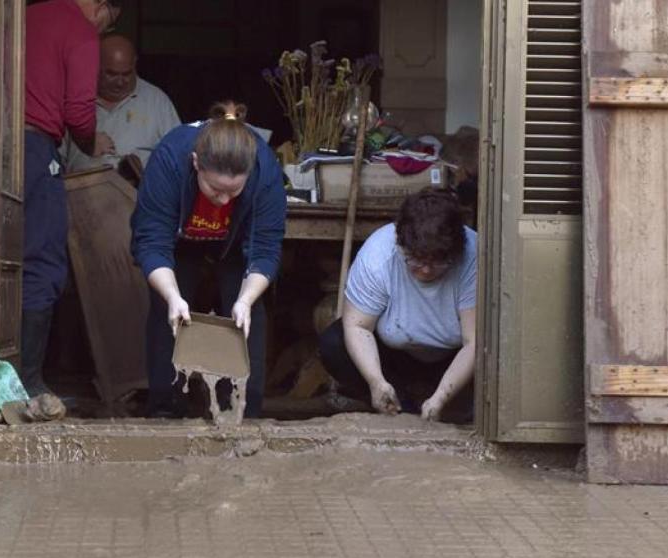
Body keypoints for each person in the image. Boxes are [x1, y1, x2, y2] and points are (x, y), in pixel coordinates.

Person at [130, 101, 287, 419]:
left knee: (245, 315)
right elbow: (152, 243)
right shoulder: (170, 159)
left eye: (235, 191)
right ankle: (165, 408)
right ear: (196, 163)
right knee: (170, 312)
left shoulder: (265, 170)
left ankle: (243, 412)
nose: (224, 200)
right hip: (178, 246)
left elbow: (265, 251)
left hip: (237, 247)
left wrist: (246, 298)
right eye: (215, 190)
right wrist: (173, 296)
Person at [21, 0, 120, 406]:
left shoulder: (24, 15)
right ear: (99, 5)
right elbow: (79, 110)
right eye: (105, 23)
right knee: (43, 261)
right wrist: (89, 140)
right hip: (35, 146)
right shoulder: (78, 28)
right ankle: (28, 382)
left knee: (1, 257)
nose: (98, 31)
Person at [319, 191, 476, 423]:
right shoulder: (378, 255)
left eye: (437, 262)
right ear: (401, 246)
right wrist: (376, 382)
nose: (425, 270)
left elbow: (475, 341)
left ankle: (457, 403)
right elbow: (358, 326)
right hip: (396, 354)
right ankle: (397, 403)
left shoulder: (475, 257)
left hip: (452, 357)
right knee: (334, 343)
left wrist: (442, 396)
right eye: (416, 260)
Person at [61, 34, 181, 175]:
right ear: (95, 66)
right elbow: (55, 158)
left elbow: (177, 155)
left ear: (135, 64)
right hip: (81, 192)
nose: (119, 82)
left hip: (136, 194)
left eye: (126, 74)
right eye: (111, 74)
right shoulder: (74, 98)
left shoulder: (157, 101)